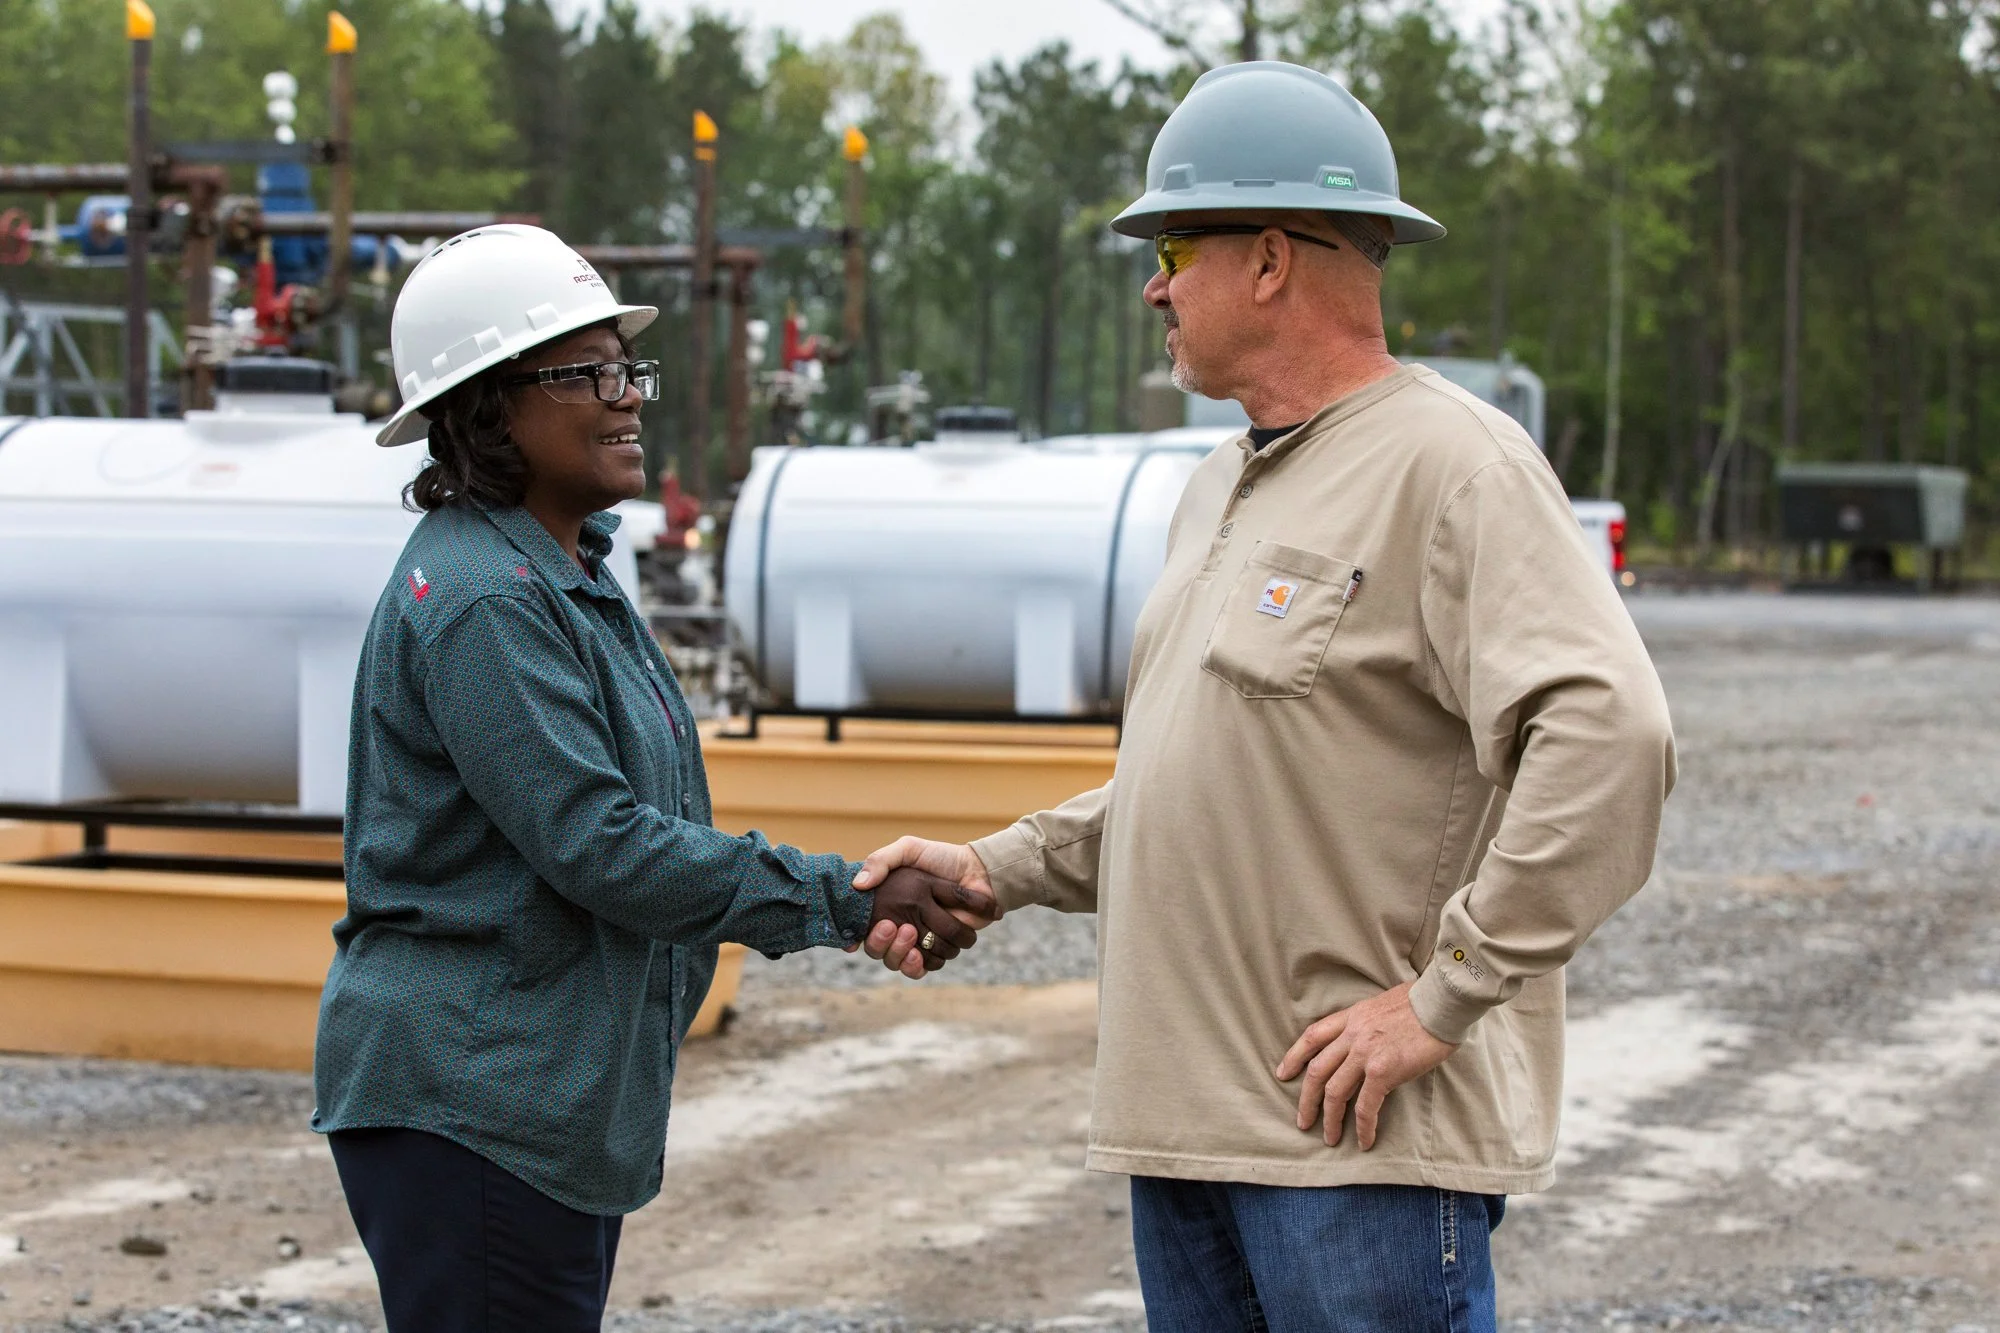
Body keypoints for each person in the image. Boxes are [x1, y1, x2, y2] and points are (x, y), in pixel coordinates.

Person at [856, 63, 1676, 1332]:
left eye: (1172, 244)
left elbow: (1610, 737)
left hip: (1350, 1157)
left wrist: (1442, 995)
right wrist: (994, 865)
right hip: (1187, 1139)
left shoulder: (1453, 467)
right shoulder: (1218, 485)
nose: (1153, 283)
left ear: (1273, 259)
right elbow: (1211, 784)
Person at [312, 224, 989, 1333]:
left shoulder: (561, 567)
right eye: (589, 371)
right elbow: (602, 844)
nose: (628, 397)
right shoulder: (488, 600)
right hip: (474, 1098)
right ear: (489, 402)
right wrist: (844, 897)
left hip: (530, 1092)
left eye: (628, 367)